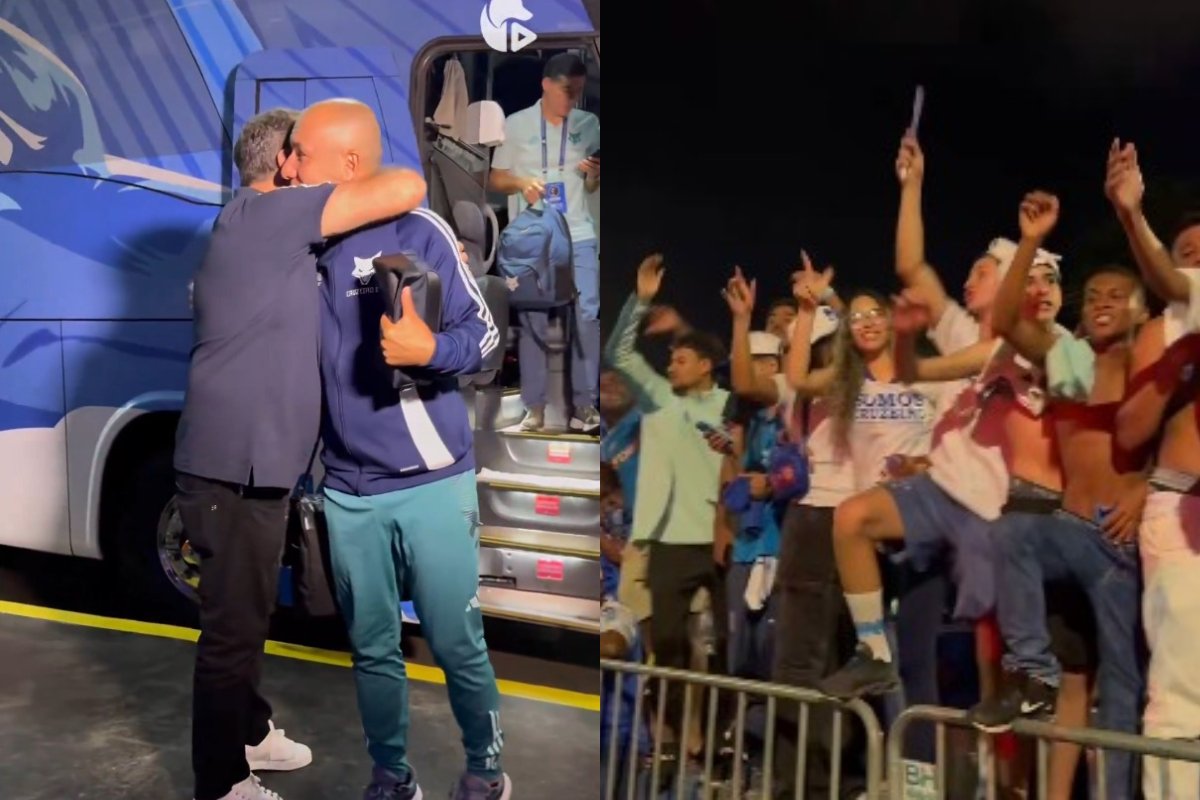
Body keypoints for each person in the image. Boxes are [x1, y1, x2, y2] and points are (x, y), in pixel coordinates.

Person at [174, 107, 428, 800]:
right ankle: (221, 780)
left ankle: (250, 731)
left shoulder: (265, 231)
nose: (311, 168)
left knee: (249, 611)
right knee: (230, 629)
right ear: (286, 164)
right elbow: (405, 185)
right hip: (229, 467)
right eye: (307, 155)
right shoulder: (270, 216)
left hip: (251, 465)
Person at [279, 98, 508, 800]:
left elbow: (487, 338)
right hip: (348, 492)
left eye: (301, 155)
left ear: (348, 165)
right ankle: (391, 778)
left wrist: (431, 349)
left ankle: (488, 772)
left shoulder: (421, 231)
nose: (288, 169)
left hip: (432, 482)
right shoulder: (299, 244)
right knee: (373, 651)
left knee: (456, 643)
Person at [965, 192, 1148, 798]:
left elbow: (1175, 439)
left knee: (1119, 684)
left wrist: (1146, 488)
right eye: (1092, 295)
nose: (1100, 304)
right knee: (1012, 527)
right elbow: (1008, 320)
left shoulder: (1150, 359)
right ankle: (1033, 674)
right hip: (1071, 530)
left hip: (1120, 545)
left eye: (1114, 295)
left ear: (1141, 308)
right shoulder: (1065, 356)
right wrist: (1029, 241)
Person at [607, 252, 730, 756]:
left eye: (681, 358)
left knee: (712, 652)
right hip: (655, 544)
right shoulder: (659, 399)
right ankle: (667, 745)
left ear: (705, 366)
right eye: (672, 358)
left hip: (711, 541)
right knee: (664, 651)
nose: (671, 364)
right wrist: (642, 300)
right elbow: (619, 353)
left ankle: (705, 745)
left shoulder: (728, 406)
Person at [1107, 139, 1200, 800]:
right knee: (1180, 695)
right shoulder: (1161, 331)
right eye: (1185, 251)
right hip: (1178, 507)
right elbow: (1130, 430)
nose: (1192, 262)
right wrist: (1130, 213)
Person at [489, 52, 600, 434]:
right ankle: (533, 409)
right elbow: (496, 179)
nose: (572, 100)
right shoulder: (517, 125)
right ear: (546, 85)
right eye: (567, 92)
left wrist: (592, 176)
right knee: (534, 318)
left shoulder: (589, 124)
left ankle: (584, 407)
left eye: (579, 93)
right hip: (533, 237)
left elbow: (592, 186)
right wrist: (522, 184)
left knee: (586, 316)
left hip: (578, 234)